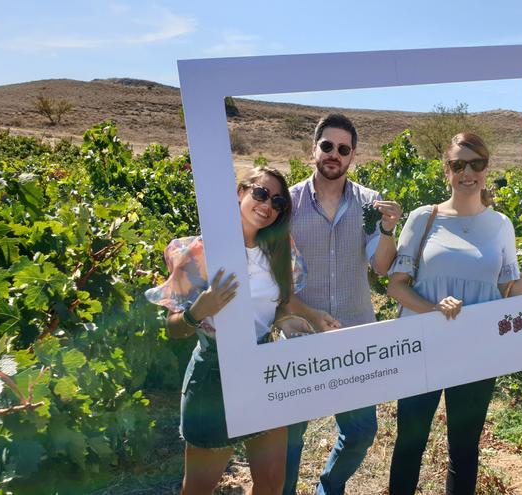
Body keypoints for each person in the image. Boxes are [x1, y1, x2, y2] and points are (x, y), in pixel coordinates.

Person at [146, 167, 330, 495]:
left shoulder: (277, 248)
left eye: (277, 201)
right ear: (240, 192)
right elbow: (174, 329)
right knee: (199, 488)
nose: (267, 205)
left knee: (272, 483)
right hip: (214, 375)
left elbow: (280, 303)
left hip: (263, 369)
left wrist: (309, 315)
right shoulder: (203, 253)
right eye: (260, 193)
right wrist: (197, 311)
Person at [385, 133, 522, 494]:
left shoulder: (501, 225)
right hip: (423, 346)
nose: (467, 172)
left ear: (487, 168)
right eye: (458, 165)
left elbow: (508, 294)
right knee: (409, 443)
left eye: (476, 164)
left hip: (477, 351)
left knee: (465, 449)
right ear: (447, 171)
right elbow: (397, 286)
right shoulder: (424, 218)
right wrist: (434, 309)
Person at [283, 113, 403, 495]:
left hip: (354, 337)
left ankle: (329, 488)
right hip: (301, 336)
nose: (334, 154)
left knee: (361, 431)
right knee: (288, 436)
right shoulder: (288, 203)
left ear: (353, 156)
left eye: (343, 149)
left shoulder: (369, 204)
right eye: (327, 146)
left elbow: (381, 266)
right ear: (313, 149)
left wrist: (387, 229)